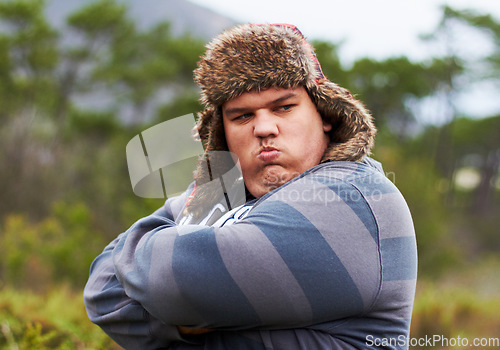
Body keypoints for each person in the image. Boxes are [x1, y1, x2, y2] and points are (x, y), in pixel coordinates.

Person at [84, 23, 417, 350]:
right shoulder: (222, 196)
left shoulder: (353, 195)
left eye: (284, 107)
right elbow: (102, 289)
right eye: (242, 116)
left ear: (325, 113)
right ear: (223, 133)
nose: (264, 128)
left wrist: (181, 309)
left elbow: (173, 284)